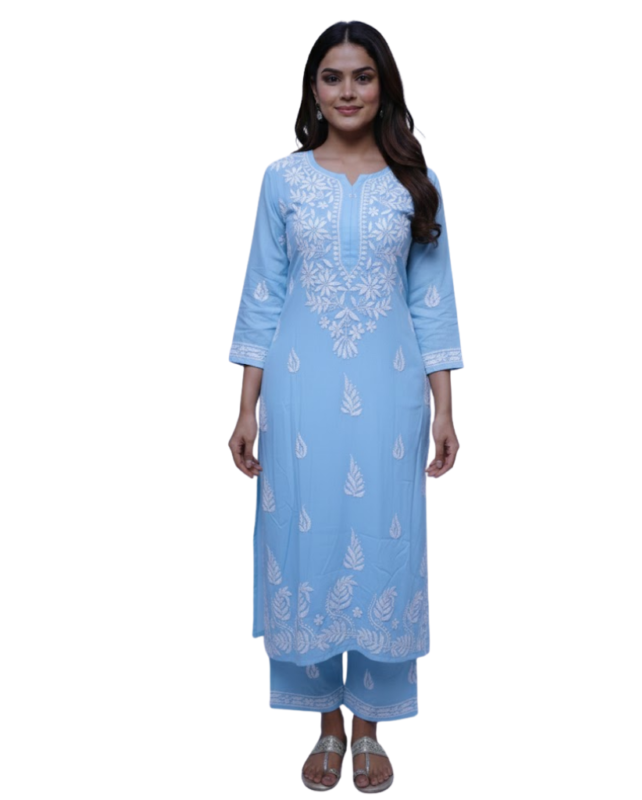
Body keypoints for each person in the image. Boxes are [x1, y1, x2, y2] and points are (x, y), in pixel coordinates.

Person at [227, 20, 464, 792]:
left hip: (391, 399)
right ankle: (326, 722)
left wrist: (444, 409)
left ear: (384, 86)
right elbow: (262, 296)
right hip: (300, 396)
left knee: (384, 547)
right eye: (333, 77)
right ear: (313, 89)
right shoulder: (283, 181)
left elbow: (432, 303)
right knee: (306, 543)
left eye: (363, 76)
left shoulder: (415, 184)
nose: (348, 91)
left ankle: (370, 728)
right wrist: (245, 408)